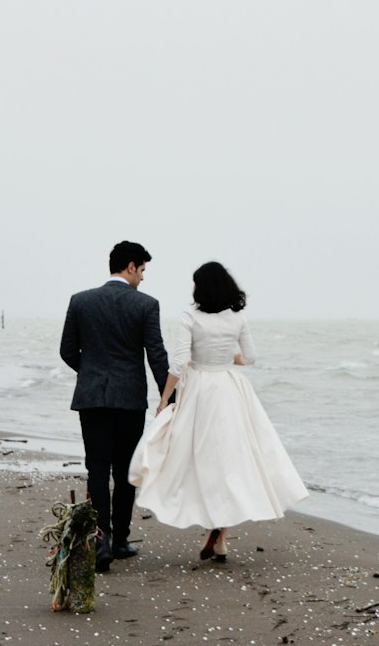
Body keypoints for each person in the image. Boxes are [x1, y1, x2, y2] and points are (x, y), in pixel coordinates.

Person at [129, 261, 308, 562]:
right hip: (230, 390)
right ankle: (221, 535)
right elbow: (250, 357)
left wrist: (164, 399)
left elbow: (179, 363)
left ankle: (211, 524)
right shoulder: (237, 318)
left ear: (203, 287)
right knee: (231, 462)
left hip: (199, 390)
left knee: (196, 460)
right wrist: (225, 356)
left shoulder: (190, 317)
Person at [60, 241, 169, 572]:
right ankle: (120, 540)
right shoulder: (146, 305)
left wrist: (92, 373)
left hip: (92, 399)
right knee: (125, 472)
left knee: (97, 468)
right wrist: (170, 398)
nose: (143, 279)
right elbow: (157, 355)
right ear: (131, 266)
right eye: (143, 271)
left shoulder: (81, 301)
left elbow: (67, 351)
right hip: (129, 400)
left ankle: (100, 539)